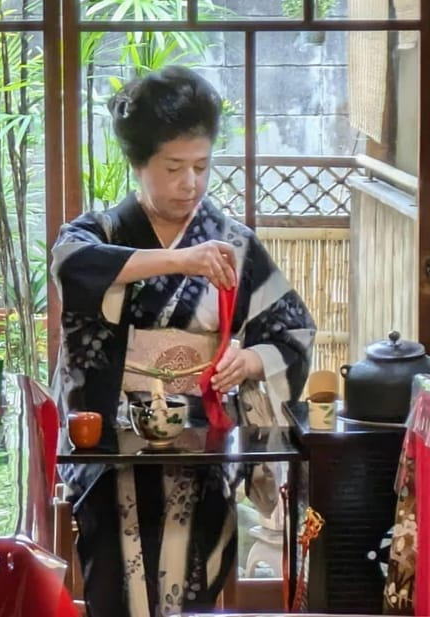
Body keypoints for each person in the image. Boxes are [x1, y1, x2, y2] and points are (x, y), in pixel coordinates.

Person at [50, 66, 316, 617]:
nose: (189, 182)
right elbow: (71, 270)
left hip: (201, 443)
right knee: (112, 567)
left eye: (200, 166)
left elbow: (291, 331)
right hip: (114, 440)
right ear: (139, 163)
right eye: (173, 167)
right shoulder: (98, 233)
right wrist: (180, 260)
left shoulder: (233, 243)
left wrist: (247, 359)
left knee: (197, 566)